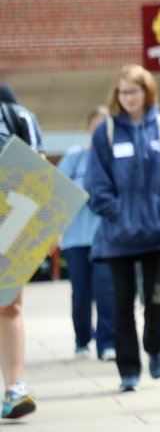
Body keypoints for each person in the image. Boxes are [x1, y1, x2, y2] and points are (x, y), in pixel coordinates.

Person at [85, 65, 160, 392]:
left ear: (147, 92)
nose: (129, 98)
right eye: (123, 92)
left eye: (135, 91)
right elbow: (96, 183)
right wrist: (117, 213)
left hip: (156, 234)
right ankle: (128, 370)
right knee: (121, 303)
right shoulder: (106, 133)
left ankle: (155, 347)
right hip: (117, 237)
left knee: (156, 301)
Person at [0, 83, 46, 418]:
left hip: (10, 219)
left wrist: (45, 231)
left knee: (8, 303)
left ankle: (14, 388)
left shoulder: (15, 115)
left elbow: (41, 174)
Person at [57, 106, 117, 362]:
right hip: (76, 239)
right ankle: (82, 341)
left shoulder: (117, 158)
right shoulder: (74, 156)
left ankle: (108, 343)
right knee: (81, 293)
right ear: (88, 128)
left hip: (107, 239)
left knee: (106, 291)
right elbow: (58, 190)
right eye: (97, 125)